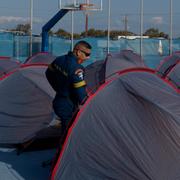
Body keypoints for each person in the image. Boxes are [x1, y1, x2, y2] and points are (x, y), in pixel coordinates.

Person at [45, 40, 92, 136]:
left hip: (59, 100)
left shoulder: (59, 59)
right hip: (68, 105)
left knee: (65, 129)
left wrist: (58, 88)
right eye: (87, 54)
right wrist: (89, 103)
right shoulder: (77, 69)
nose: (88, 57)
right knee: (67, 134)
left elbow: (48, 73)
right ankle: (62, 150)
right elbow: (81, 94)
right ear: (78, 52)